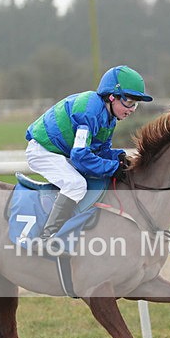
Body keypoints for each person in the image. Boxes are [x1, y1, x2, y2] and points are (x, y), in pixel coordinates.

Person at [24, 65, 152, 244]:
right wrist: (113, 167)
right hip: (44, 151)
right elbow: (80, 156)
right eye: (129, 102)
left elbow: (100, 150)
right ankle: (47, 236)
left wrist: (118, 158)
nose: (131, 109)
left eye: (135, 104)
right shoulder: (89, 111)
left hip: (62, 153)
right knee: (76, 184)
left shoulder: (109, 117)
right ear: (112, 96)